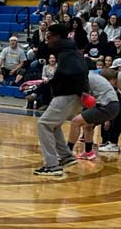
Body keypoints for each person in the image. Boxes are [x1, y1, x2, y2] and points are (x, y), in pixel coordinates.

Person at [33, 23, 90, 176]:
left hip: (67, 96)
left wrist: (80, 91)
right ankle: (66, 156)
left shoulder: (66, 53)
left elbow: (74, 72)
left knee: (43, 124)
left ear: (57, 37)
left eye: (49, 37)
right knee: (54, 124)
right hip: (74, 97)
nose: (47, 39)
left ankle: (52, 165)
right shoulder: (70, 50)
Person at [69, 69, 121, 161]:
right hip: (113, 106)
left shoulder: (86, 78)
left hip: (106, 106)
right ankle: (89, 152)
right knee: (87, 125)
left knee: (75, 122)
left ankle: (66, 152)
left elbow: (83, 98)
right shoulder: (93, 76)